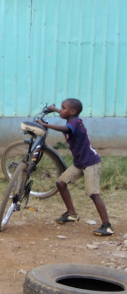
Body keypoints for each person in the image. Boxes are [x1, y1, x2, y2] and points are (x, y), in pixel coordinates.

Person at [37, 99, 114, 237]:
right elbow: (64, 115)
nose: (61, 110)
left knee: (93, 194)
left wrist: (45, 125)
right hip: (79, 163)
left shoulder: (74, 123)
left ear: (72, 112)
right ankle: (71, 213)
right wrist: (54, 109)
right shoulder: (71, 118)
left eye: (63, 108)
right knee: (61, 183)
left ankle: (107, 226)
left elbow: (67, 129)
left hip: (90, 163)